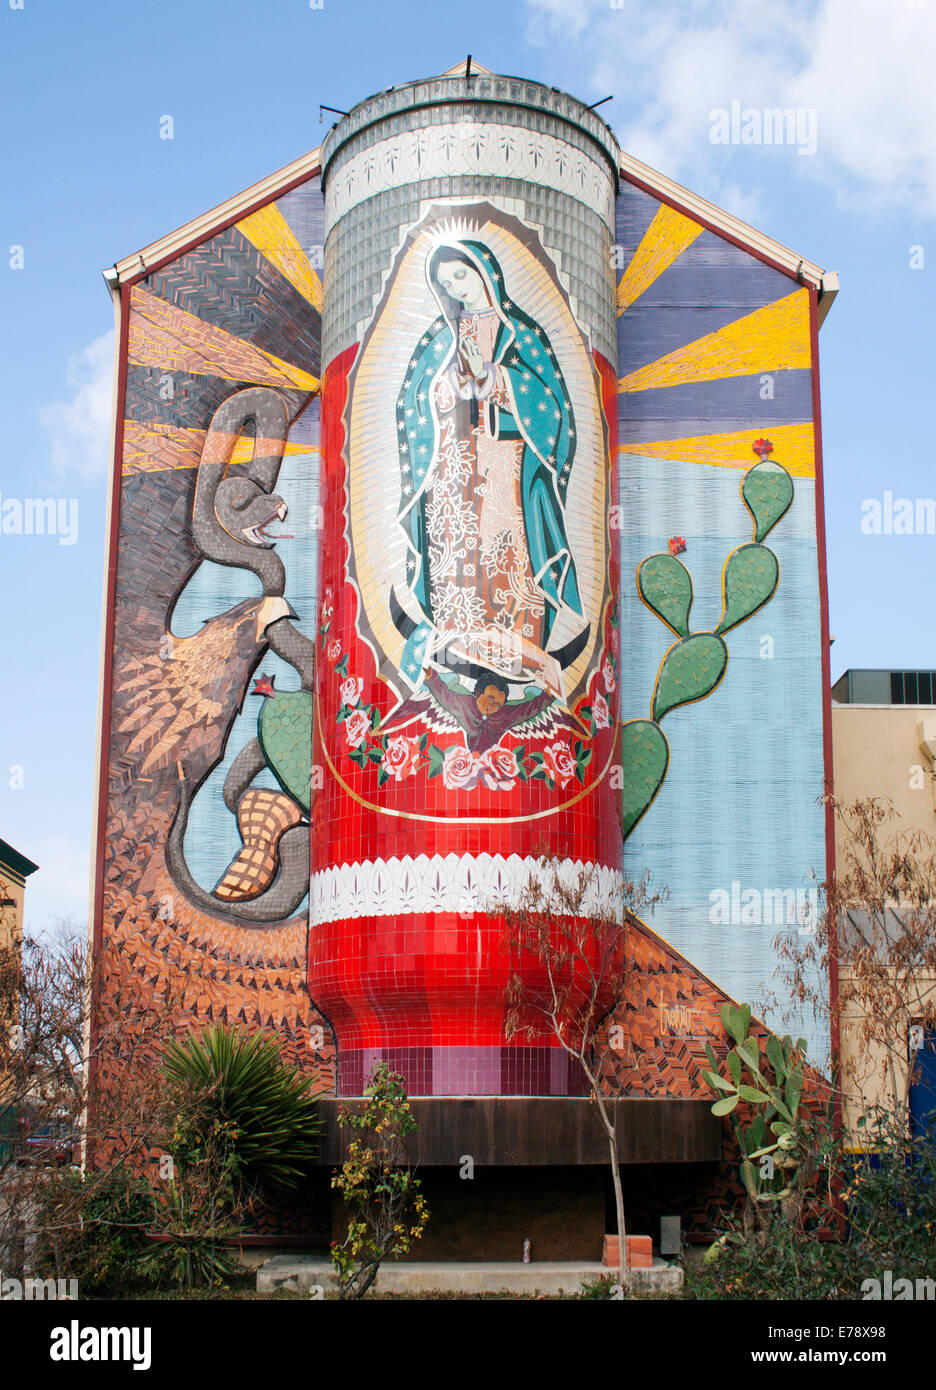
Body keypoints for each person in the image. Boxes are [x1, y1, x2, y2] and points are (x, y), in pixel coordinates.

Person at [394, 237, 588, 698]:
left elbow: (552, 408)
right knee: (458, 553)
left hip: (507, 466)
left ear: (486, 271)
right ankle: (457, 644)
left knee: (506, 551)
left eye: (461, 275)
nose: (457, 289)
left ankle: (520, 654)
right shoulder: (440, 336)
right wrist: (446, 387)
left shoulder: (522, 334)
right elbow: (412, 401)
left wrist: (494, 379)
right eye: (446, 284)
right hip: (452, 468)